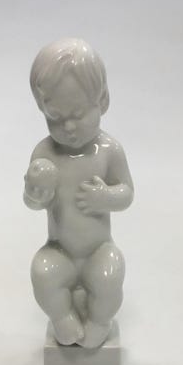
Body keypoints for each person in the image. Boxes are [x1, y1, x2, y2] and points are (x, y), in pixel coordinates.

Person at [24, 38, 134, 348]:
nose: (69, 127)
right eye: (56, 117)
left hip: (98, 249)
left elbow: (127, 193)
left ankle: (99, 321)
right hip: (61, 251)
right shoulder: (45, 154)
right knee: (42, 272)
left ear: (103, 101)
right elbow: (32, 202)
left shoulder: (108, 151)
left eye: (79, 113)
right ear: (43, 110)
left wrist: (107, 198)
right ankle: (63, 318)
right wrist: (36, 192)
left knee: (110, 275)